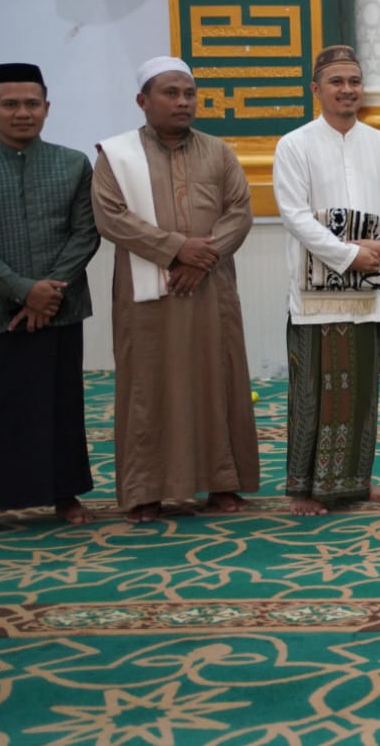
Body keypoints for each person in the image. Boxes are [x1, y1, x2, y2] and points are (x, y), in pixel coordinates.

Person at [93, 56, 260, 522]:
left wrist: (199, 259)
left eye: (189, 93)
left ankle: (223, 483)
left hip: (209, 288)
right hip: (149, 294)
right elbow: (110, 216)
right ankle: (146, 489)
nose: (183, 102)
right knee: (148, 384)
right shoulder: (116, 156)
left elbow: (239, 214)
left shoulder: (219, 152)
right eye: (171, 93)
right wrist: (175, 250)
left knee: (218, 376)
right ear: (142, 101)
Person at [273, 46, 380, 515]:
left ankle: (355, 481)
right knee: (313, 389)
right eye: (337, 82)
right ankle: (303, 488)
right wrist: (349, 254)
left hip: (371, 285)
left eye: (354, 81)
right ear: (316, 90)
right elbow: (293, 215)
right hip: (316, 294)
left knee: (362, 390)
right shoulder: (294, 145)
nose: (348, 89)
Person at [0, 63, 100, 527]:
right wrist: (21, 290)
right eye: (10, 104)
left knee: (60, 404)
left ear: (47, 108)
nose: (22, 113)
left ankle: (65, 495)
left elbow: (85, 234)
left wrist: (49, 291)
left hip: (60, 305)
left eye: (32, 104)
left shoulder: (73, 162)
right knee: (0, 404)